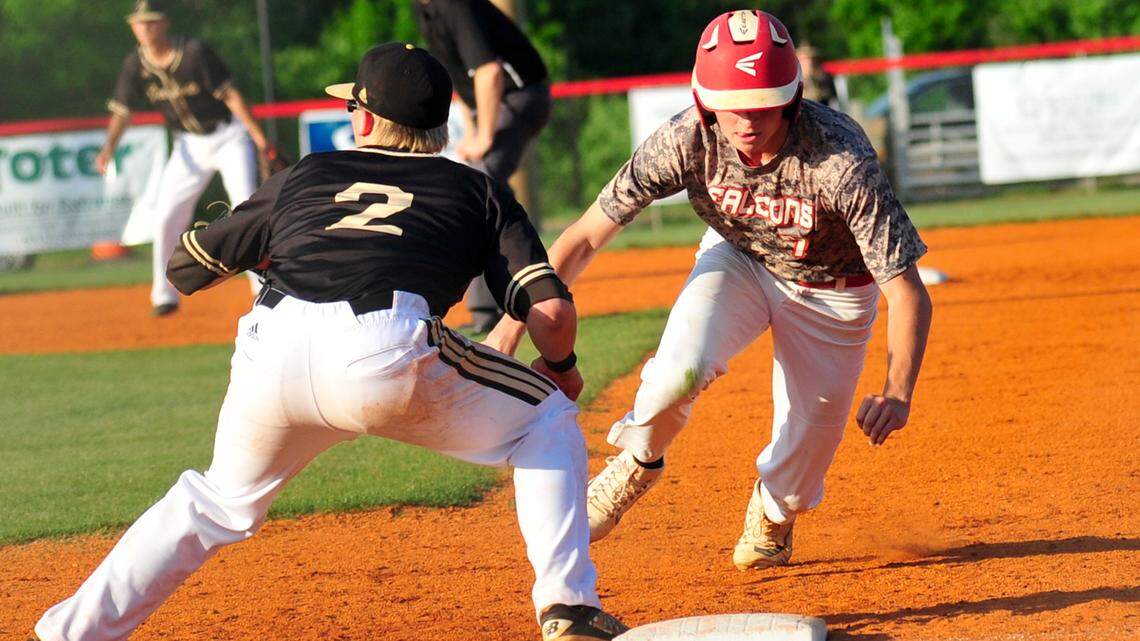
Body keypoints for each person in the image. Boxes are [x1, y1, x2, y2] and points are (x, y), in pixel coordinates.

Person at [34, 43, 626, 641]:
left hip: (271, 348)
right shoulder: (477, 190)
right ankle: (569, 610)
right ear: (443, 124)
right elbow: (548, 309)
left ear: (365, 119)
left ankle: (70, 632)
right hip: (385, 348)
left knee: (214, 502)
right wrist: (563, 367)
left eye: (352, 107)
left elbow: (187, 269)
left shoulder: (307, 175)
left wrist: (267, 239)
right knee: (545, 418)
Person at [485, 10, 933, 571]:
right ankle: (636, 460)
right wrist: (509, 325)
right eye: (731, 103)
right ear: (703, 99)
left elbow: (907, 289)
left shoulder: (839, 159)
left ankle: (775, 512)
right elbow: (584, 237)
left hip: (833, 290)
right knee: (679, 369)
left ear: (792, 96)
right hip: (739, 261)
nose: (747, 119)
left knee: (809, 445)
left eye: (763, 102)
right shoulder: (685, 140)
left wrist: (896, 389)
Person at [99, 0, 275, 316]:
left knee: (245, 206)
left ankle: (262, 287)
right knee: (166, 214)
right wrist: (108, 148)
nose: (145, 28)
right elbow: (122, 111)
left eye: (151, 21)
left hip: (228, 137)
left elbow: (231, 95)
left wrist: (260, 139)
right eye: (139, 23)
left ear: (165, 23)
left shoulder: (194, 53)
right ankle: (163, 294)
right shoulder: (135, 64)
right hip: (189, 146)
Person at [413, 0, 552, 333]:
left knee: (479, 183)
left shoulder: (455, 5)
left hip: (521, 96)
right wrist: (474, 130)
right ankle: (500, 297)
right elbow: (458, 77)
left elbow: (489, 73)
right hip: (492, 104)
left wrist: (485, 135)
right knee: (474, 182)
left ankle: (494, 308)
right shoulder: (426, 9)